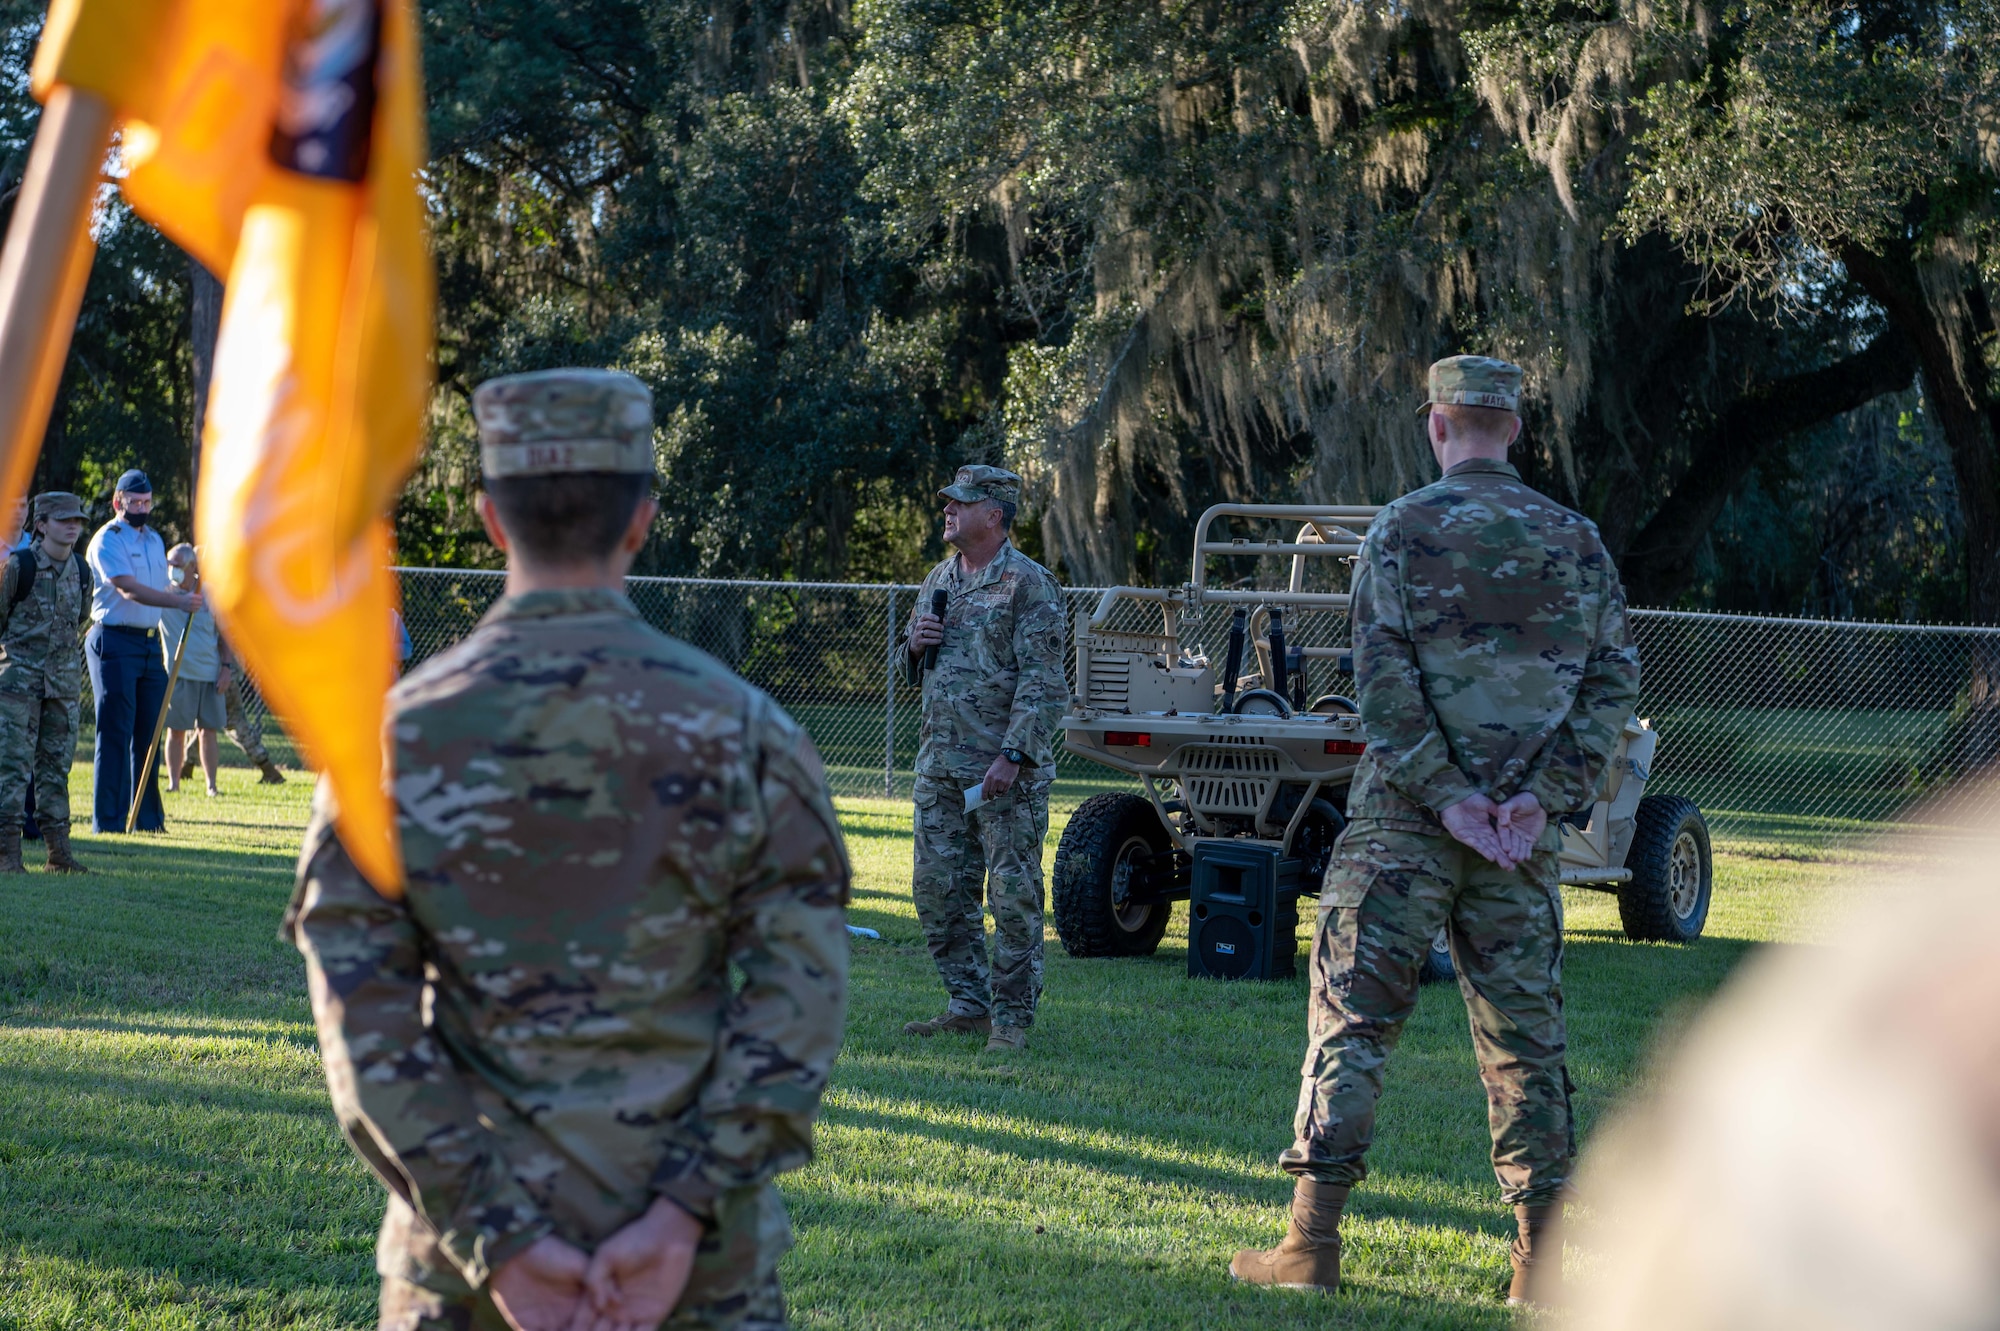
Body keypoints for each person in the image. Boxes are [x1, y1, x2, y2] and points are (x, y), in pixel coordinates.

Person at [284, 368, 850, 1331]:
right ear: (642, 517)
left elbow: (364, 1023)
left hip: (465, 1283)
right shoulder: (747, 733)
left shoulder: (392, 743)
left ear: (490, 520)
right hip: (699, 1273)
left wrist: (495, 1235)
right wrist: (678, 1217)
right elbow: (797, 996)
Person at [1229, 356, 1641, 1303]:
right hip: (1521, 838)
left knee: (1355, 1023)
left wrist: (1447, 793)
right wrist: (1542, 796)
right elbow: (1613, 682)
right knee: (1527, 1042)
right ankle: (1539, 1270)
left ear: (1438, 425)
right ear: (1517, 429)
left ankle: (1311, 1246)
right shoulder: (1578, 542)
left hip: (1404, 826)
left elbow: (1379, 679)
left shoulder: (1401, 530)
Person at [898, 465, 1067, 1054]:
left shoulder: (1029, 584)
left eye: (961, 503)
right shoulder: (938, 580)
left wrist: (1013, 756)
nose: (948, 510)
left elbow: (1045, 684)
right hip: (939, 768)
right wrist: (912, 648)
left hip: (1001, 775)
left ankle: (1012, 1021)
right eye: (947, 501)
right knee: (938, 890)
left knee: (1012, 897)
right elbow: (914, 670)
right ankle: (967, 1005)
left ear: (993, 514)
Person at [84, 470, 199, 833]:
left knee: (149, 732)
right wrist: (175, 602)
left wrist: (185, 596)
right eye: (135, 502)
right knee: (115, 731)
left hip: (149, 644)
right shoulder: (108, 540)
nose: (142, 508)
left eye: (147, 502)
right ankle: (110, 821)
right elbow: (129, 589)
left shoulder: (154, 539)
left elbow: (160, 584)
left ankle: (148, 820)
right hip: (114, 641)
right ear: (118, 501)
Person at [0, 492, 92, 874]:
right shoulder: (18, 566)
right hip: (18, 686)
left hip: (63, 687)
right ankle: (7, 856)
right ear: (40, 524)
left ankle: (59, 855)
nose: (73, 526)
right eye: (63, 519)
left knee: (56, 769)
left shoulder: (82, 571)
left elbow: (80, 619)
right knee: (12, 768)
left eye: (78, 521)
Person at [160, 544, 231, 797]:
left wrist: (226, 668)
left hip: (209, 673)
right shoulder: (161, 592)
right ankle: (173, 783)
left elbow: (225, 635)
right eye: (170, 564)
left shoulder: (210, 594)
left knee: (208, 731)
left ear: (193, 568)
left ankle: (211, 786)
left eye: (178, 566)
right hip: (178, 674)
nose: (172, 570)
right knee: (176, 731)